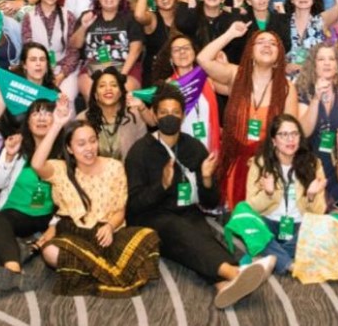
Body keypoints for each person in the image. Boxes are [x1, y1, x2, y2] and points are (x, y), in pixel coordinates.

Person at [125, 85, 274, 307]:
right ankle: (234, 273)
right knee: (179, 230)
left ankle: (221, 286)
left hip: (187, 211)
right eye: (163, 112)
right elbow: (134, 206)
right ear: (154, 115)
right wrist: (162, 185)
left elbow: (210, 202)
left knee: (202, 236)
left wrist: (206, 179)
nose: (169, 117)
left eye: (175, 112)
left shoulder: (193, 147)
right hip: (151, 217)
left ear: (183, 115)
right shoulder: (139, 151)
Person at [28, 101, 161, 296]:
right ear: (70, 149)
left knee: (149, 236)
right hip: (74, 233)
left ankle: (84, 269)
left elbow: (120, 210)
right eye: (81, 144)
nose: (89, 148)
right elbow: (37, 164)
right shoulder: (61, 169)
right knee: (49, 252)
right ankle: (99, 269)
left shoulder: (114, 166)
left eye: (93, 141)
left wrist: (110, 227)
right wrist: (57, 124)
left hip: (106, 234)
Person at [198, 22, 298, 208]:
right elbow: (203, 59)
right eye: (260, 42)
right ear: (251, 51)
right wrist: (230, 33)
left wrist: (266, 161)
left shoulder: (286, 88)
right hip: (234, 160)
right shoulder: (236, 74)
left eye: (273, 43)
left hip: (268, 165)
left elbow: (290, 136)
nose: (267, 45)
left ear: (279, 57)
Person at [243, 115, 327, 275]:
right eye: (284, 135)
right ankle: (289, 264)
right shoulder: (260, 163)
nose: (290, 139)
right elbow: (251, 206)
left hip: (299, 228)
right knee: (246, 219)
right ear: (274, 140)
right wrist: (268, 193)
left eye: (295, 134)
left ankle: (267, 257)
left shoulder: (313, 164)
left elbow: (318, 213)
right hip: (269, 224)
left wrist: (310, 196)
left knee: (323, 226)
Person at [71, 0, 145, 96]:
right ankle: (94, 114)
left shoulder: (130, 18)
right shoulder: (88, 16)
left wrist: (121, 76)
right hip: (93, 66)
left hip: (125, 66)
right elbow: (75, 44)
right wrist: (84, 27)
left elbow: (135, 50)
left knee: (124, 90)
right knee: (90, 90)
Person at [0, 43, 74, 137]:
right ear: (24, 65)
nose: (38, 64)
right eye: (33, 60)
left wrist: (63, 113)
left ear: (47, 65)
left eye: (42, 60)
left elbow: (60, 129)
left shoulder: (54, 93)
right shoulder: (12, 84)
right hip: (10, 140)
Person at [76, 67, 148, 160]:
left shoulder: (135, 116)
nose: (108, 89)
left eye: (113, 85)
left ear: (121, 92)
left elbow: (143, 153)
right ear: (95, 95)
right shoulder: (83, 119)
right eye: (102, 86)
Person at [23, 0, 79, 86]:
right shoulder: (28, 16)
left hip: (63, 69)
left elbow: (74, 50)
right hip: (36, 68)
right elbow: (27, 49)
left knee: (66, 98)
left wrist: (61, 75)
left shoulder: (68, 16)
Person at [281, 0, 338, 72]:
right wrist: (285, 66)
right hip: (287, 80)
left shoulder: (321, 20)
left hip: (315, 80)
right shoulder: (283, 21)